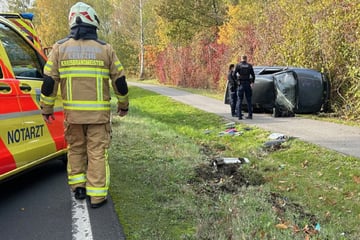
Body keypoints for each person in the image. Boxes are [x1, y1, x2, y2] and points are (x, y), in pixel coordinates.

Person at [39, 2, 129, 208]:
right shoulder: (105, 49)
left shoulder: (59, 49)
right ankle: (97, 196)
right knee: (97, 153)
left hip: (73, 117)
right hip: (98, 118)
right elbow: (120, 81)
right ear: (94, 21)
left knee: (76, 149)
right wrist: (123, 105)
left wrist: (47, 108)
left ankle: (78, 187)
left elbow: (49, 82)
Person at [233, 55, 255, 120]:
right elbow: (253, 75)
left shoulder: (238, 65)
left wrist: (237, 81)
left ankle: (239, 116)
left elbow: (234, 74)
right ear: (246, 59)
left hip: (241, 84)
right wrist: (252, 82)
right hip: (248, 84)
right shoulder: (249, 65)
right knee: (249, 100)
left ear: (241, 59)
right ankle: (250, 115)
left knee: (239, 100)